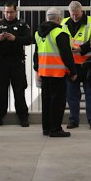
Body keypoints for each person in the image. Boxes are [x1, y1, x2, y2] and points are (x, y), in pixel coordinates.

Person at [33, 7, 77, 138]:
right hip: (57, 73)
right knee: (57, 102)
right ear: (59, 19)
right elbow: (66, 54)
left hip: (44, 72)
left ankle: (46, 128)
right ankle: (55, 129)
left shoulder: (38, 33)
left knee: (46, 101)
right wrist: (73, 71)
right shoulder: (59, 33)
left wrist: (37, 70)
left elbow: (36, 55)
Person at [0, 2, 32, 127]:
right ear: (3, 12)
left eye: (11, 12)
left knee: (19, 91)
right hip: (1, 62)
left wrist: (15, 39)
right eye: (6, 12)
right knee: (1, 91)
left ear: (16, 12)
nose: (8, 14)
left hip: (16, 62)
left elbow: (29, 40)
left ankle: (23, 117)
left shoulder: (22, 25)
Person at [62, 1, 91, 130]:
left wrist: (81, 49)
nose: (74, 17)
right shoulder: (64, 23)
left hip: (89, 64)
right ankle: (73, 120)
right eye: (72, 15)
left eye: (76, 14)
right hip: (72, 66)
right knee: (72, 96)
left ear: (81, 11)